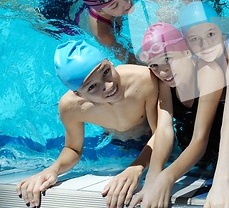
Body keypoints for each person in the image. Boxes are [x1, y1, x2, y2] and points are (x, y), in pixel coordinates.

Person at [16, 40, 160, 208]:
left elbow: (162, 133)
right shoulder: (71, 107)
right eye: (92, 87)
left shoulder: (144, 80)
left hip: (151, 139)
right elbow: (73, 149)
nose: (109, 85)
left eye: (106, 71)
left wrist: (137, 166)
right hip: (114, 142)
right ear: (78, 94)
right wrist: (52, 169)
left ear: (110, 61)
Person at [131, 3, 229, 208]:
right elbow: (165, 130)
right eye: (155, 65)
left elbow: (202, 139)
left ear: (185, 52)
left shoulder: (210, 71)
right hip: (190, 140)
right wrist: (153, 176)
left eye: (168, 59)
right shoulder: (164, 79)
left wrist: (167, 178)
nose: (163, 71)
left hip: (223, 139)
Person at [71, 0, 156, 63]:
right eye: (115, 5)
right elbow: (132, 60)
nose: (126, 3)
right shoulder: (103, 33)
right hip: (69, 15)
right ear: (101, 11)